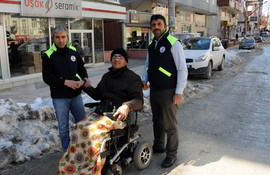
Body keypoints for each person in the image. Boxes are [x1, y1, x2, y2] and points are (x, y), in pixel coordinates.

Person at [58, 48, 144, 175]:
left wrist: (126, 106)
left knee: (92, 132)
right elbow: (97, 94)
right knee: (79, 127)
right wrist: (83, 85)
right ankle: (75, 165)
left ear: (126, 61)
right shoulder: (107, 77)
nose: (116, 59)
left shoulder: (133, 78)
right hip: (102, 112)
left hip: (118, 116)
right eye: (114, 57)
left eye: (120, 57)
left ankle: (91, 168)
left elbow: (139, 100)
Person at [142, 14, 187, 168]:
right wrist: (144, 78)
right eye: (153, 24)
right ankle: (159, 145)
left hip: (169, 90)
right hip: (154, 90)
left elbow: (182, 69)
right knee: (157, 121)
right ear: (151, 27)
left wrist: (179, 91)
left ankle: (171, 154)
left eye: (159, 24)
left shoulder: (173, 43)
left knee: (170, 125)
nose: (156, 27)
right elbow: (148, 64)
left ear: (165, 26)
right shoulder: (152, 44)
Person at [42, 25, 91, 153]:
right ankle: (66, 153)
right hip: (60, 97)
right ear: (53, 38)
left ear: (67, 37)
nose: (61, 40)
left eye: (63, 37)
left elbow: (81, 67)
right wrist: (65, 82)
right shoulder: (48, 55)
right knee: (63, 128)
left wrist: (85, 78)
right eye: (57, 37)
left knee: (82, 124)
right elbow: (47, 78)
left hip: (76, 95)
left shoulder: (73, 50)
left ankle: (83, 150)